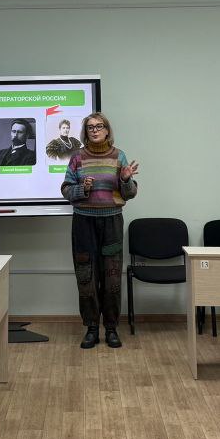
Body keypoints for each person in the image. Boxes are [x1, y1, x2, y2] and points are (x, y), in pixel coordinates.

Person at [61, 112, 139, 349]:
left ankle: (112, 328)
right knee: (86, 276)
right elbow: (66, 189)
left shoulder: (119, 156)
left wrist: (125, 180)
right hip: (83, 223)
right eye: (90, 127)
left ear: (107, 130)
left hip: (112, 222)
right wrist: (82, 189)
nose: (94, 130)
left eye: (99, 126)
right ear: (86, 132)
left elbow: (130, 193)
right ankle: (92, 328)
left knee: (112, 276)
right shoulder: (77, 157)